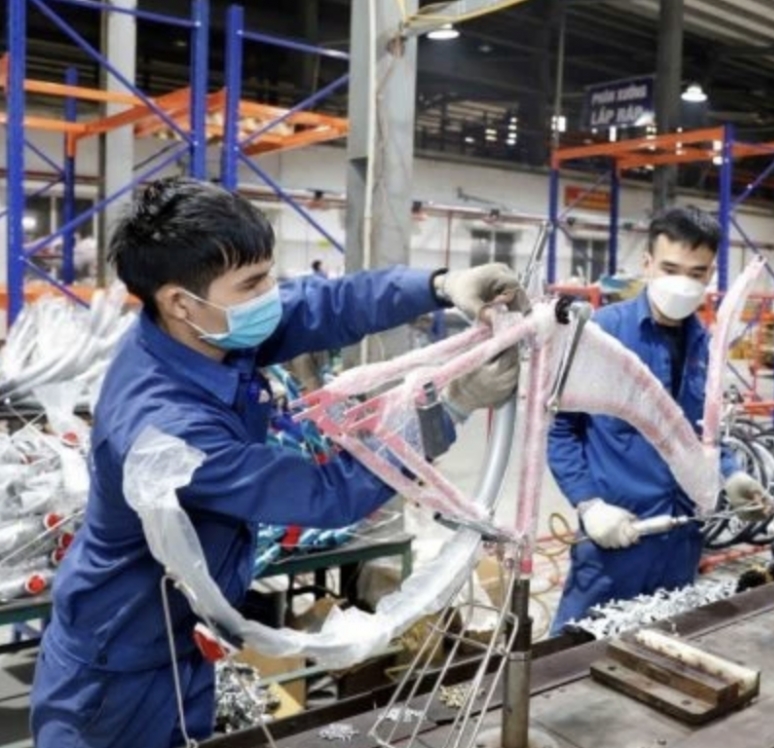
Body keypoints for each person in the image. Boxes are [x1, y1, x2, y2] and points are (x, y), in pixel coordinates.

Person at [30, 177, 524, 748]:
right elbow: (326, 493)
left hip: (177, 637)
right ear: (179, 301)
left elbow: (325, 306)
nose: (273, 293)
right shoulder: (167, 431)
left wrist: (439, 286)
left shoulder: (203, 333)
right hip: (116, 668)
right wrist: (449, 407)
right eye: (254, 282)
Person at [546, 206, 769, 634]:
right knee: (572, 661)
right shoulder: (601, 336)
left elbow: (699, 434)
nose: (682, 283)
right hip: (617, 539)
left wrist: (730, 474)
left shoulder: (707, 346)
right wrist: (589, 505)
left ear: (710, 276)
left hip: (681, 541)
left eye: (696, 272)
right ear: (646, 264)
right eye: (670, 268)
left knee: (662, 654)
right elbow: (560, 430)